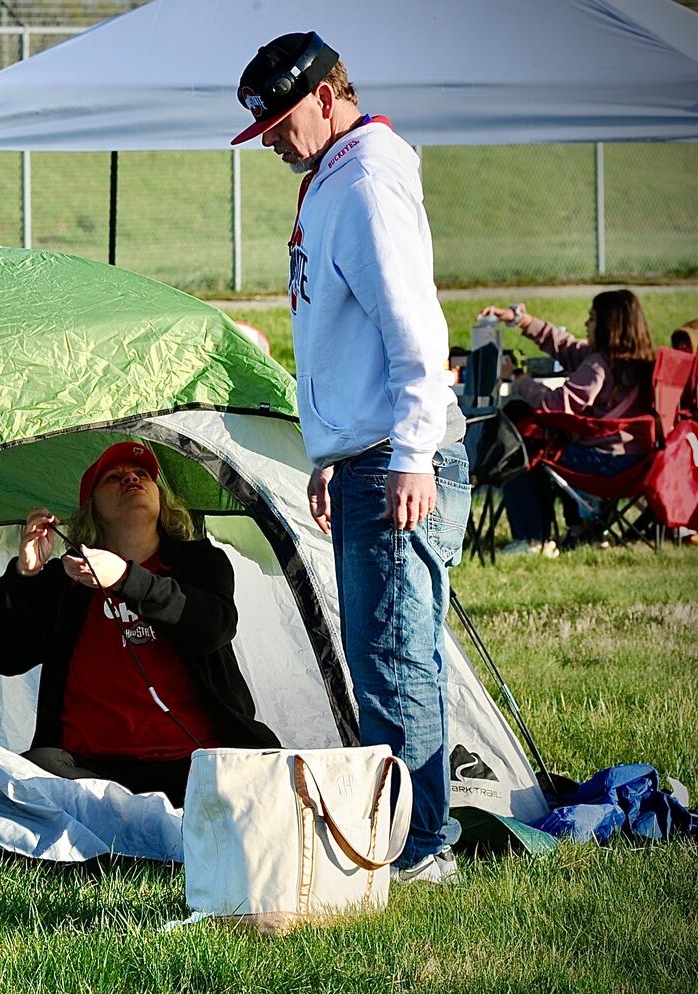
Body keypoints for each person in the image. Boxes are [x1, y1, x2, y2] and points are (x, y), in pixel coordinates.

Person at [232, 32, 470, 883]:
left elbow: (414, 331)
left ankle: (419, 851)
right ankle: (417, 835)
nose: (271, 141)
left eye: (281, 121)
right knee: (389, 656)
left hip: (397, 461)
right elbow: (344, 332)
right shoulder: (333, 176)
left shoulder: (365, 179)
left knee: (392, 659)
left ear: (328, 95)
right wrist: (332, 447)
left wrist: (408, 453)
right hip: (367, 455)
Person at [0, 441, 279, 808]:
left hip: (199, 764)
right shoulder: (65, 580)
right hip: (93, 773)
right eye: (114, 477)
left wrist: (126, 579)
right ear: (92, 509)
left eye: (142, 474)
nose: (131, 478)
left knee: (276, 782)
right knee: (33, 773)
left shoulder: (199, 561)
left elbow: (212, 628)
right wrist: (24, 573)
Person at [483, 291, 656, 555]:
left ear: (610, 326)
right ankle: (583, 528)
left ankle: (532, 539)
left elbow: (552, 405)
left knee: (521, 454)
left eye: (592, 319)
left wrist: (518, 378)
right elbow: (566, 347)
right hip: (639, 461)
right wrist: (523, 320)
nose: (587, 324)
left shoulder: (598, 366)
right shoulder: (640, 361)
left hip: (606, 463)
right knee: (557, 445)